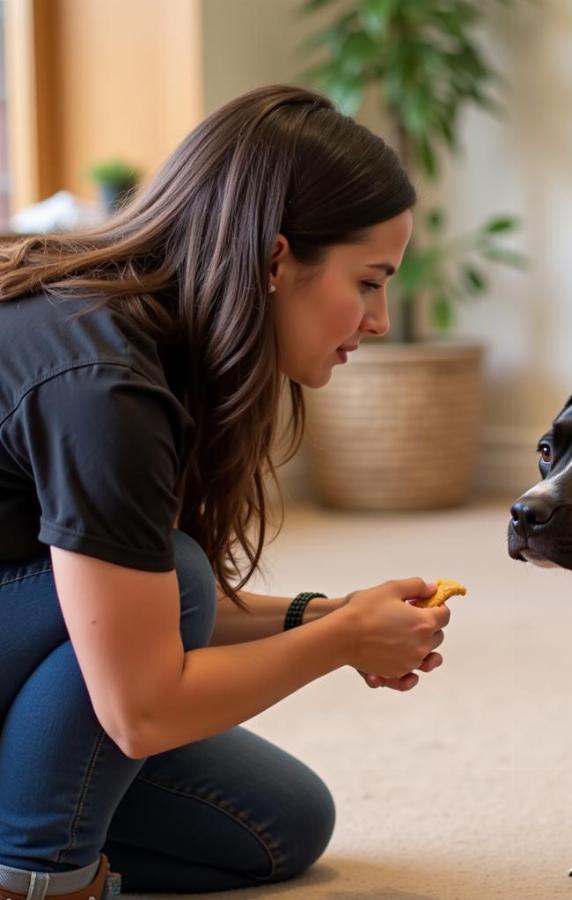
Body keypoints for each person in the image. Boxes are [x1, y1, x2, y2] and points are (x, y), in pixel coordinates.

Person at [0, 84, 452, 900]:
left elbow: (117, 598)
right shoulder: (104, 387)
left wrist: (322, 613)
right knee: (184, 581)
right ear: (277, 260)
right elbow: (142, 706)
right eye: (371, 281)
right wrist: (344, 639)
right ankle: (36, 877)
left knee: (278, 818)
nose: (380, 320)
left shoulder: (156, 340)